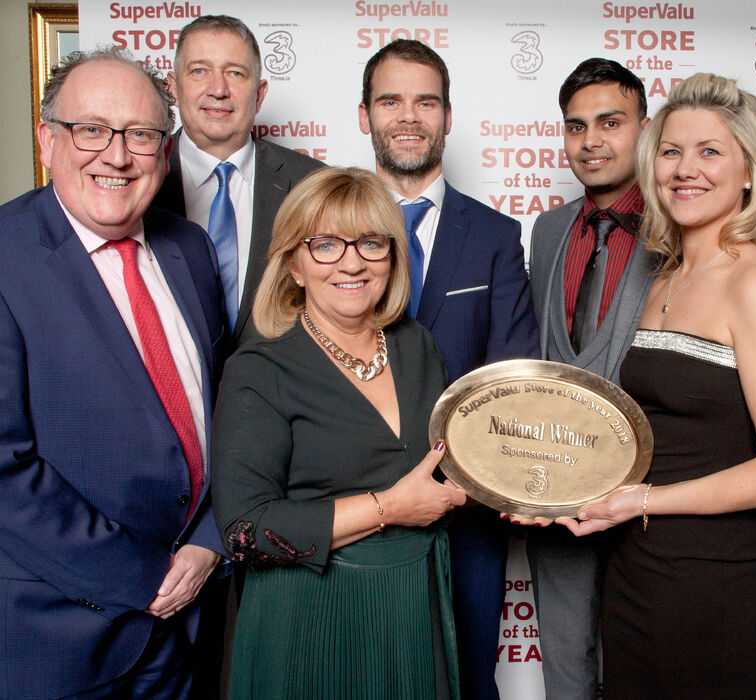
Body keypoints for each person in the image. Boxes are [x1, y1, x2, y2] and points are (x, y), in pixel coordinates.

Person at [560, 73, 756, 699]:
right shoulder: (664, 278)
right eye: (672, 151)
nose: (685, 169)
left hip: (711, 582)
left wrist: (642, 502)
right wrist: (551, 486)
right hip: (634, 569)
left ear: (750, 171)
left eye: (710, 151)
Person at [0, 48, 227, 698]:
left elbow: (226, 408)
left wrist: (210, 539)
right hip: (57, 637)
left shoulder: (190, 248)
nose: (117, 155)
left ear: (165, 147)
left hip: (187, 627)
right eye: (92, 129)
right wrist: (145, 576)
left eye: (141, 134)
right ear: (48, 139)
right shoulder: (6, 258)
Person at [212, 167, 467, 698]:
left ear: (391, 254)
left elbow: (442, 466)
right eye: (325, 245)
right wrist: (391, 508)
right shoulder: (260, 369)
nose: (352, 262)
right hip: (307, 619)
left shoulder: (415, 344)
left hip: (412, 605)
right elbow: (244, 530)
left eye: (370, 242)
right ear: (294, 266)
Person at [359, 39, 538, 699]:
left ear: (448, 116)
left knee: (465, 680)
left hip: (466, 514)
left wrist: (455, 483)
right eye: (391, 100)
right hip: (360, 511)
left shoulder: (494, 236)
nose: (409, 116)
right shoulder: (329, 226)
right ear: (363, 115)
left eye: (425, 101)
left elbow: (512, 378)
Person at [524, 57, 652, 699]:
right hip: (559, 498)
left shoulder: (681, 228)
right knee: (566, 670)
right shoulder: (547, 232)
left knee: (643, 667)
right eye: (576, 127)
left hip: (650, 501)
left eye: (610, 122)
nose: (591, 140)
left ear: (645, 128)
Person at [154, 14, 325, 346]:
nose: (218, 90)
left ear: (259, 95)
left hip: (279, 392)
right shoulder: (138, 182)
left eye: (235, 73)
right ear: (172, 88)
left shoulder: (312, 183)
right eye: (199, 71)